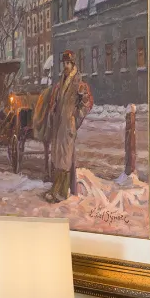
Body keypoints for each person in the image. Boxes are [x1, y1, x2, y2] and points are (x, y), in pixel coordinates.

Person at [38, 50, 92, 202]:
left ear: (73, 64)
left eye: (68, 63)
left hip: (68, 126)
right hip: (59, 125)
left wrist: (75, 118)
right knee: (58, 158)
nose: (66, 66)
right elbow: (56, 100)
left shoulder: (78, 83)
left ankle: (61, 193)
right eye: (65, 63)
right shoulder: (61, 81)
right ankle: (56, 189)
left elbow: (87, 104)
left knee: (65, 160)